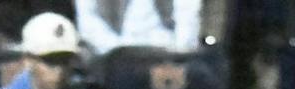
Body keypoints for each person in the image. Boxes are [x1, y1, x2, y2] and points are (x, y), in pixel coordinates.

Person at [72, 0, 204, 56]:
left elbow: (188, 17)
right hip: (112, 57)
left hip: (167, 53)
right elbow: (88, 24)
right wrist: (122, 51)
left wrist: (179, 53)